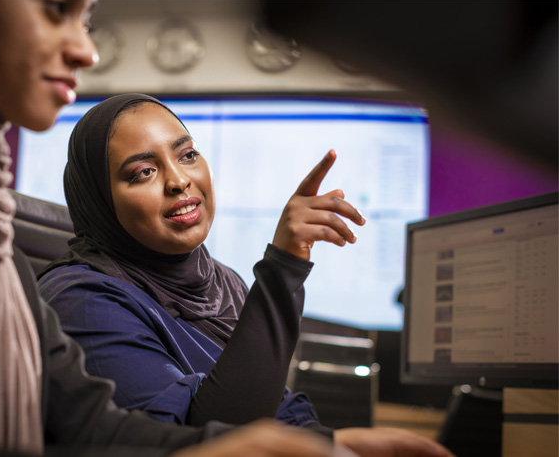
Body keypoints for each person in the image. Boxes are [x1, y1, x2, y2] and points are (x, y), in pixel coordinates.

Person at [0, 0, 359, 457]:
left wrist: (321, 446)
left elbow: (88, 423)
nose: (85, 49)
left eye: (84, 19)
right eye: (54, 9)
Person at [38, 94, 454, 456]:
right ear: (99, 200)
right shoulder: (83, 302)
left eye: (187, 154)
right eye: (143, 172)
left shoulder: (222, 283)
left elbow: (276, 406)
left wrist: (335, 445)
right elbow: (211, 444)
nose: (180, 180)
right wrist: (283, 269)